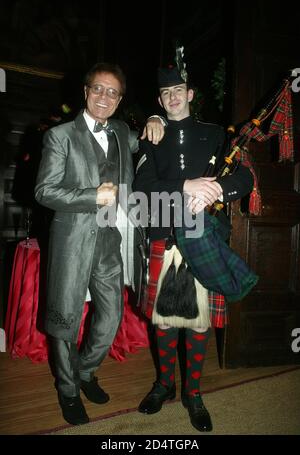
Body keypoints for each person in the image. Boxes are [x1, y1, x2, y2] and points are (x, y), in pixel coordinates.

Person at [34, 62, 165, 425]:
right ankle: (67, 388)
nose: (104, 97)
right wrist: (92, 196)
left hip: (109, 241)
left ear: (120, 99)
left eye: (112, 92)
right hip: (72, 242)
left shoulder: (123, 131)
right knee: (65, 318)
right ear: (86, 92)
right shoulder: (60, 136)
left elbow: (151, 138)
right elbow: (44, 190)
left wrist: (157, 117)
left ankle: (84, 371)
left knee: (110, 317)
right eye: (98, 89)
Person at [133, 66, 254, 432]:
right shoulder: (151, 137)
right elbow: (142, 187)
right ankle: (164, 385)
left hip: (204, 239)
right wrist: (186, 185)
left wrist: (216, 191)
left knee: (199, 324)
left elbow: (245, 178)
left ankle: (194, 394)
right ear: (160, 100)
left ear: (190, 94)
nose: (172, 96)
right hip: (164, 236)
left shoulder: (216, 135)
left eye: (179, 89)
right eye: (165, 92)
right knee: (164, 321)